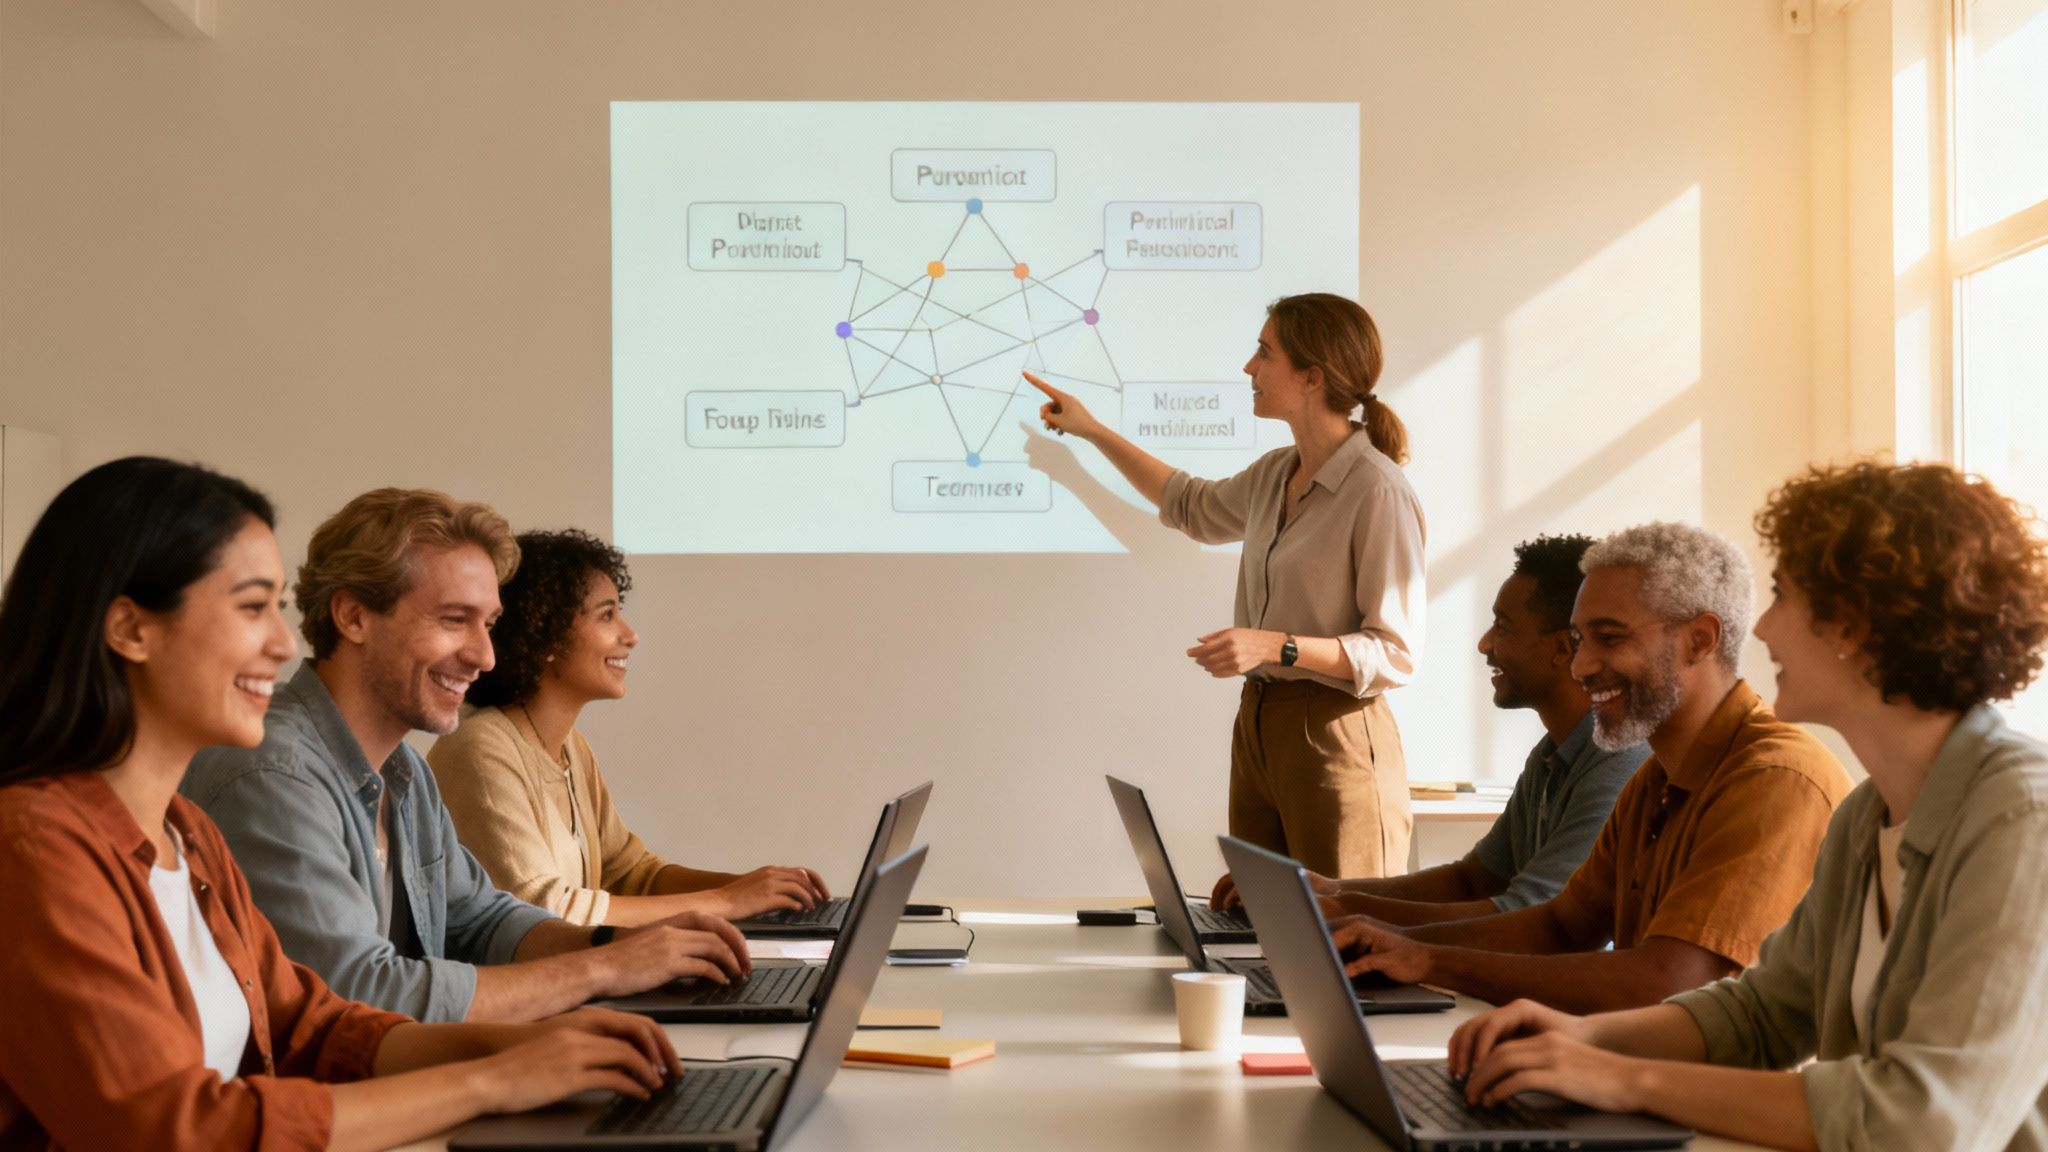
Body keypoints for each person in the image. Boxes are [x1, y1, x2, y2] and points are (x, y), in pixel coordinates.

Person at [0, 458, 686, 1151]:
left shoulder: (189, 834)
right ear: (131, 629)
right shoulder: (32, 852)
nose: (281, 642)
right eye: (250, 607)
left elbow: (313, 1025)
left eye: (276, 607)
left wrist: (517, 1047)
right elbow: (177, 1130)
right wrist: (496, 1080)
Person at [1448, 462, 2048, 1151]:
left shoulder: (2023, 818)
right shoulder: (1867, 817)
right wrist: (1582, 1036)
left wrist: (1618, 1077)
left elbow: (1923, 1120)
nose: (1759, 628)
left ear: (1859, 622)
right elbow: (1763, 1014)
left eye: (1785, 596)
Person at [183, 488, 751, 1025]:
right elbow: (356, 992)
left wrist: (623, 946)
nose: (483, 655)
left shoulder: (404, 773)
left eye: (490, 625)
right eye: (455, 620)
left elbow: (484, 920)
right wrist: (602, 969)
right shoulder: (272, 773)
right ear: (353, 616)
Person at [1328, 522, 1852, 1012]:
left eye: (1609, 637)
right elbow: (1558, 927)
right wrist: (1389, 942)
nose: (1579, 667)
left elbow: (1671, 981)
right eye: (1578, 641)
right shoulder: (1655, 780)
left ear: (1700, 640)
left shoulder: (1776, 779)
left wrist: (1432, 960)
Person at [1029, 292, 1426, 879]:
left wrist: (1275, 645)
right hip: (1260, 724)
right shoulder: (1275, 472)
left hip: (1336, 732)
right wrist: (1090, 431)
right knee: (1264, 928)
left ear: (1312, 376)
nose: (1249, 367)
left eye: (1264, 352)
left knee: (1344, 945)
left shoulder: (1378, 490)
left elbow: (1395, 652)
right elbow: (1189, 505)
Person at [1213, 533, 1646, 924]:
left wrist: (1352, 912)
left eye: (1504, 626)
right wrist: (1327, 888)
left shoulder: (1618, 763)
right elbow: (1472, 880)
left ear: (1561, 648)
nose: (1485, 644)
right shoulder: (1552, 756)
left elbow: (1530, 913)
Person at [429, 528, 829, 926]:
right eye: (607, 615)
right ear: (545, 635)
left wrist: (756, 892)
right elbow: (544, 912)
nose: (630, 635)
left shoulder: (571, 747)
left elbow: (630, 873)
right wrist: (725, 902)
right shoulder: (479, 750)